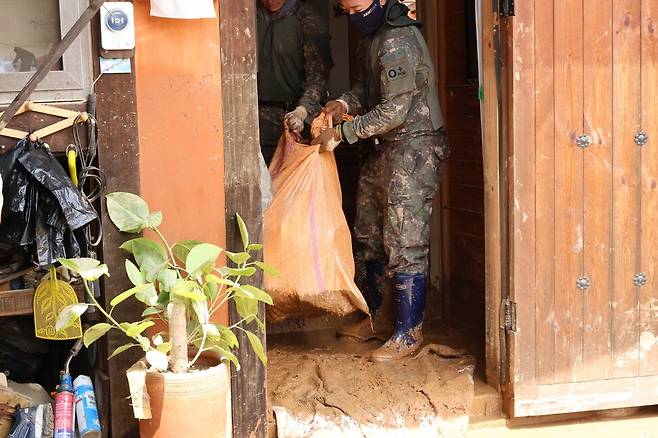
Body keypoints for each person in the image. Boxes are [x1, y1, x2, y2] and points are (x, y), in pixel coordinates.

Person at [314, 0, 448, 361]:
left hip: (415, 146)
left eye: (357, 7)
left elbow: (395, 110)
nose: (355, 16)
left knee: (406, 239)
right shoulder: (374, 38)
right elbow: (365, 86)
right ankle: (375, 317)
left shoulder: (398, 38)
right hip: (386, 146)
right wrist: (343, 102)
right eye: (346, 10)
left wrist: (344, 132)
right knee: (369, 232)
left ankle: (408, 332)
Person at [257, 0, 333, 163]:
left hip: (293, 117)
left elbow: (318, 75)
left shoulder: (306, 18)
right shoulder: (245, 16)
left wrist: (303, 110)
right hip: (255, 117)